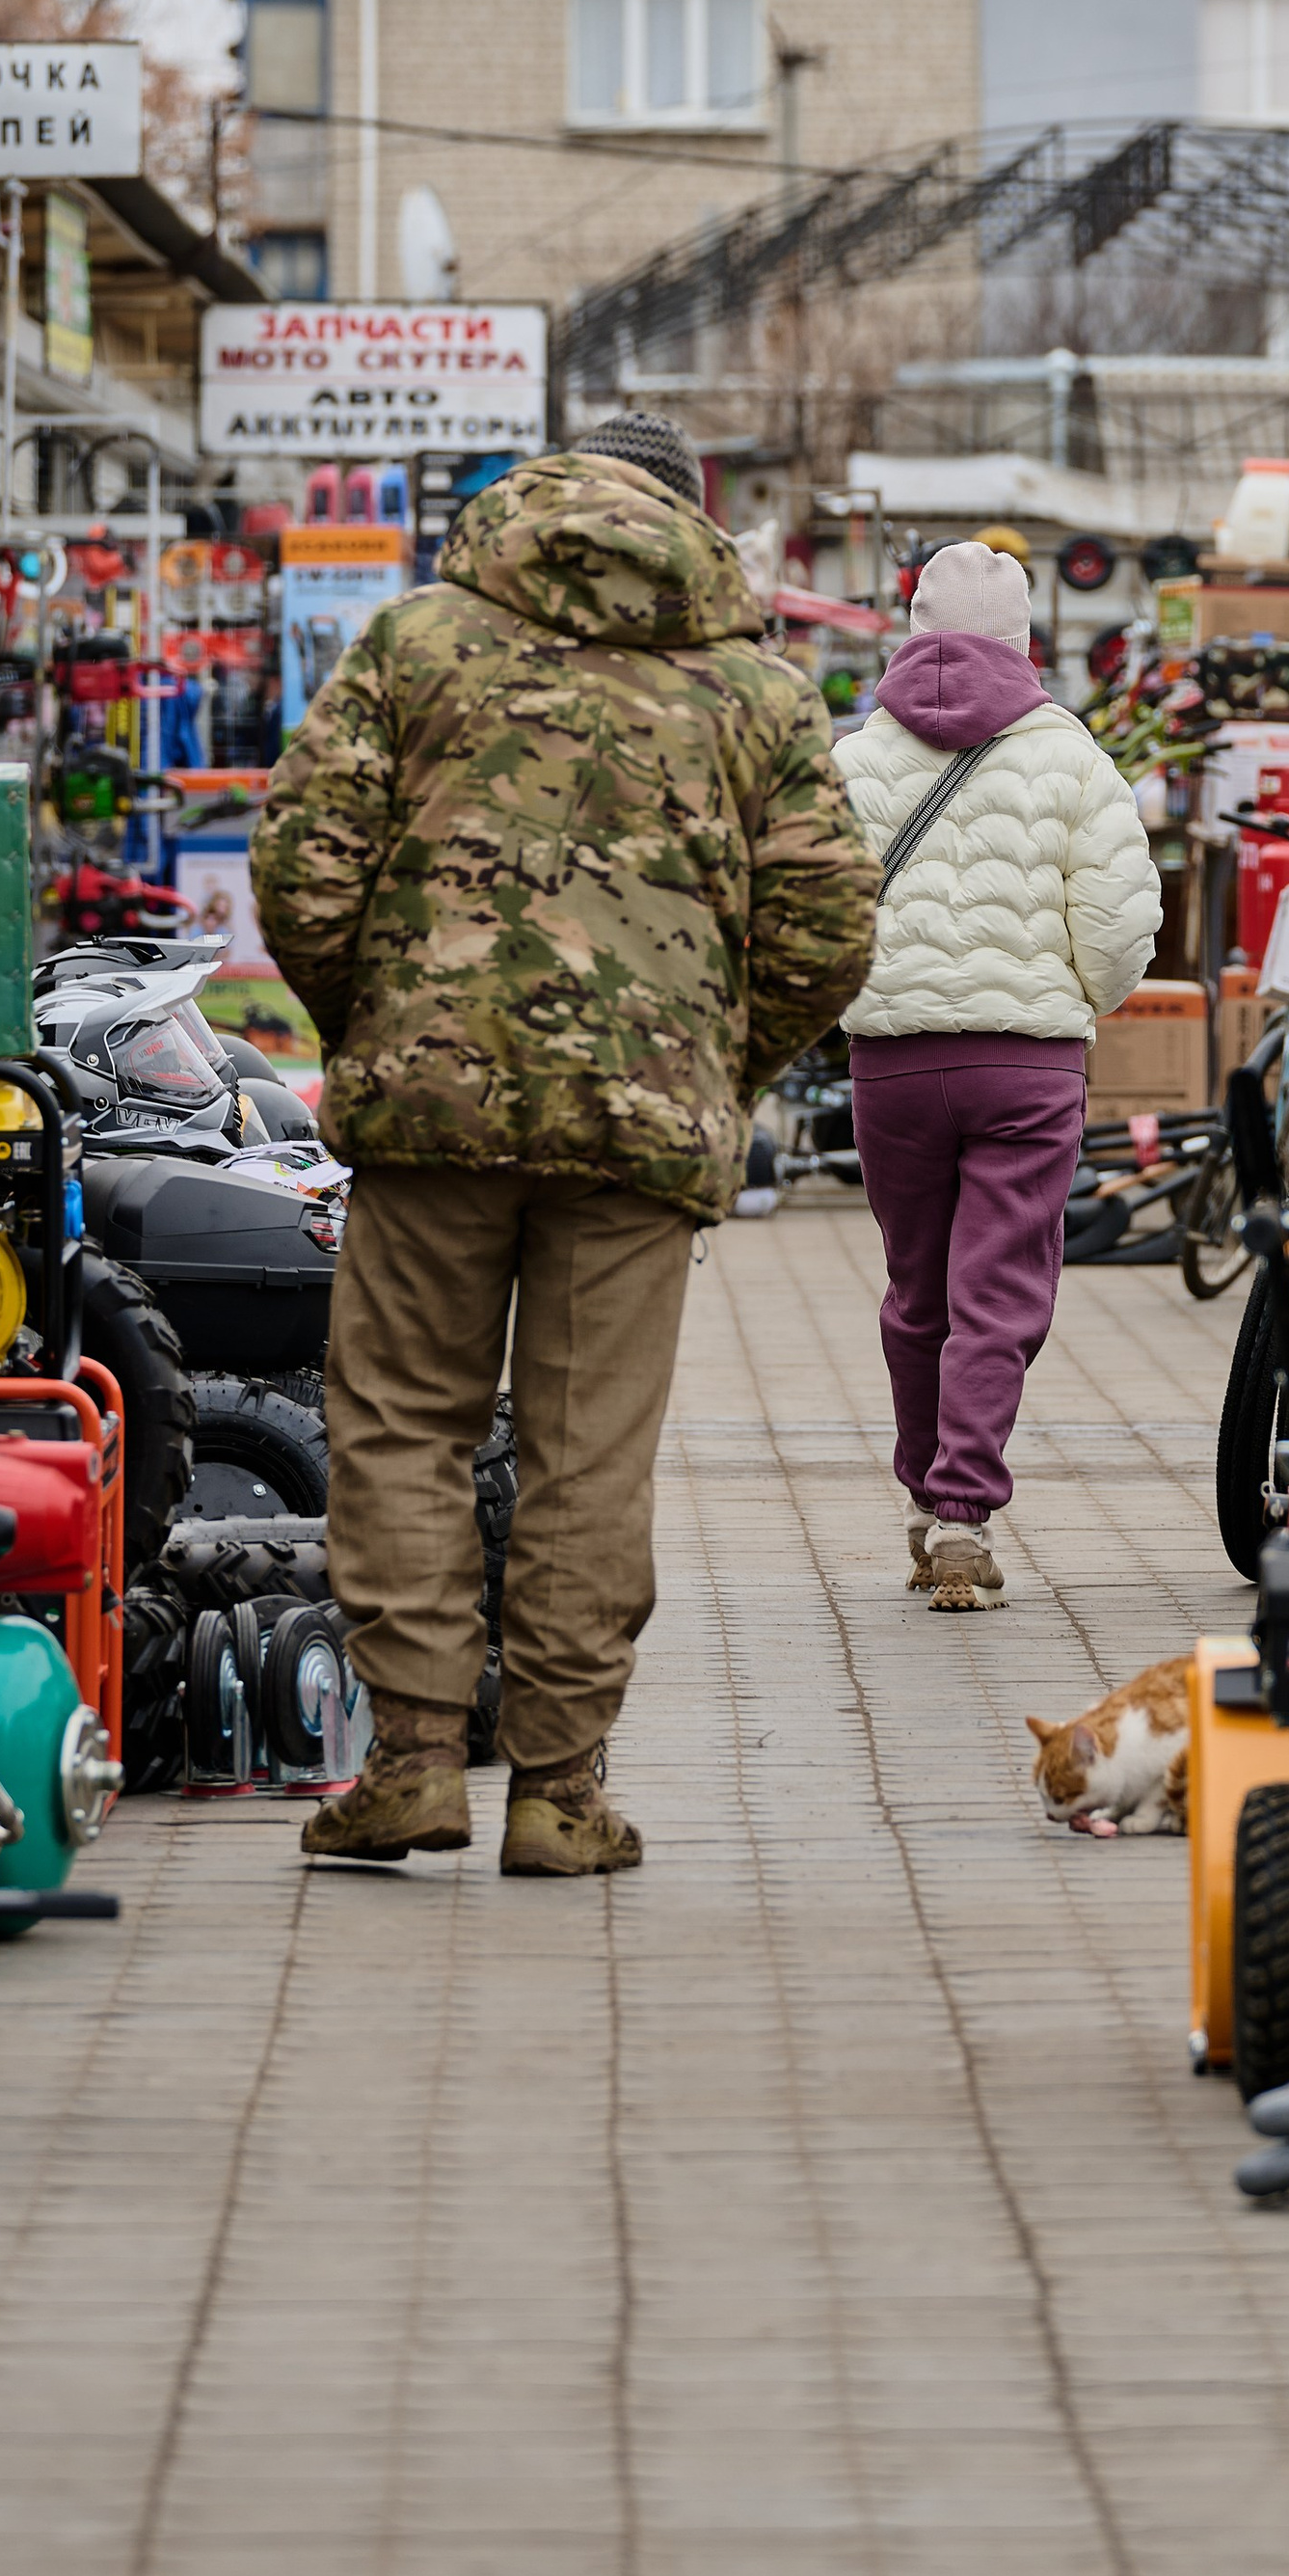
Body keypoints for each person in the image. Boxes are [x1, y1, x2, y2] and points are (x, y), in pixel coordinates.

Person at [251, 414, 878, 1874]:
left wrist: (384, 1026)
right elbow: (831, 920)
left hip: (432, 1119)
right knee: (586, 1454)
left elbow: (303, 856)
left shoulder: (416, 642)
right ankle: (560, 1791)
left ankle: (408, 1761)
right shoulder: (755, 691)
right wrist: (716, 1064)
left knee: (402, 1422)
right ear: (694, 518)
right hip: (636, 1139)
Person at [835, 540, 1163, 1609]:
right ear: (1024, 638)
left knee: (915, 1288)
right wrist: (1078, 1000)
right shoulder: (1070, 758)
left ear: (913, 626)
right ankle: (963, 1509)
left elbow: (806, 914)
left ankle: (924, 1498)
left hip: (891, 1061)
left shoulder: (852, 760)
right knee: (999, 1290)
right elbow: (1117, 929)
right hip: (1026, 1066)